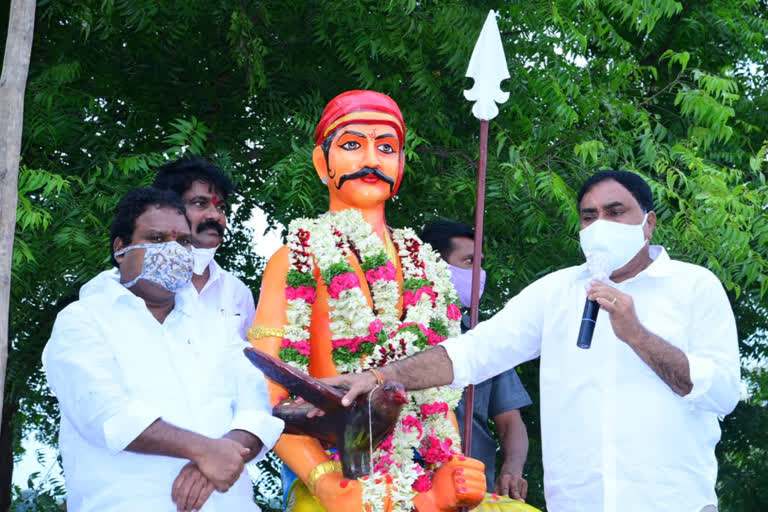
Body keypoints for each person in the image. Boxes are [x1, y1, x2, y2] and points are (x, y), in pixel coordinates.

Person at [324, 170, 741, 512]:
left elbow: (721, 393)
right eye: (590, 216)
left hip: (671, 501)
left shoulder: (694, 287)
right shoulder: (557, 291)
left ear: (647, 223)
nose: (601, 226)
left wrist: (637, 335)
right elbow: (474, 352)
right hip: (578, 503)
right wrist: (381, 375)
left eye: (616, 213)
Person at [249, 90, 489, 512]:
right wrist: (325, 483)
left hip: (419, 475)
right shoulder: (297, 259)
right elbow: (267, 391)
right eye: (352, 145)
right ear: (322, 163)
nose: (371, 160)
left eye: (386, 148)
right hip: (332, 472)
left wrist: (451, 469)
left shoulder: (425, 265)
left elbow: (436, 392)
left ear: (399, 167)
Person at [43, 187, 283, 512]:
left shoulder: (217, 325)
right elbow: (104, 414)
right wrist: (202, 450)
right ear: (121, 249)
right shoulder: (83, 320)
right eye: (157, 239)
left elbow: (256, 408)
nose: (173, 251)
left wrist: (225, 450)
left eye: (183, 242)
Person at [421, 220, 532, 501]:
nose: (478, 274)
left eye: (480, 263)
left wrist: (512, 470)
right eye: (469, 261)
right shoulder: (389, 329)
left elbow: (510, 421)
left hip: (472, 490)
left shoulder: (481, 338)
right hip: (400, 489)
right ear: (433, 265)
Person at [153, 157, 256, 339]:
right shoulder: (133, 285)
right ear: (167, 209)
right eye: (200, 203)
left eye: (221, 207)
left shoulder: (237, 292)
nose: (216, 216)